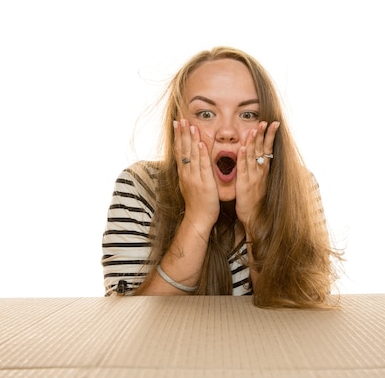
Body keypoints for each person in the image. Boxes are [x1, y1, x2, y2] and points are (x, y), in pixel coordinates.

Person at [101, 46, 343, 308]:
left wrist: (255, 218)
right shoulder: (139, 187)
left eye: (248, 114)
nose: (227, 132)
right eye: (206, 114)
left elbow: (304, 320)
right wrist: (198, 217)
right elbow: (126, 324)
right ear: (177, 124)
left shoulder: (301, 187)